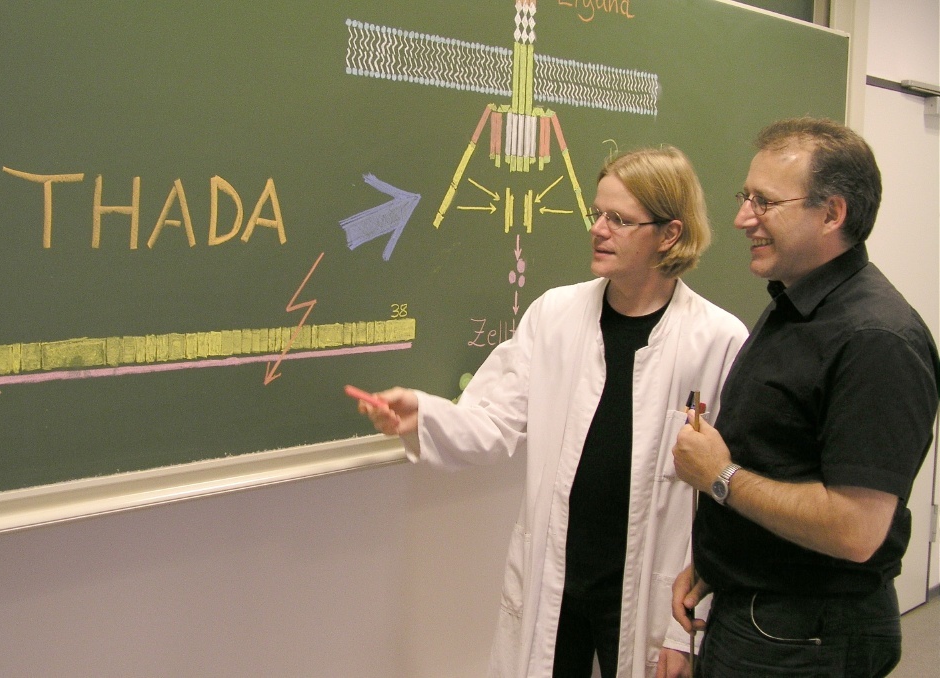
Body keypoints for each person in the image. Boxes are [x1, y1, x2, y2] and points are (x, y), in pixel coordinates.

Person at [354, 146, 748, 678]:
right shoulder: (555, 315)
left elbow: (725, 504)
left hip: (651, 586)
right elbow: (493, 420)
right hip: (559, 578)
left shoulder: (717, 340)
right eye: (597, 213)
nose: (598, 229)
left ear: (669, 234)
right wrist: (422, 415)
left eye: (619, 219)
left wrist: (684, 632)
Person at [670, 117, 940, 678]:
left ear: (832, 214)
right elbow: (783, 459)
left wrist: (719, 477)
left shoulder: (876, 340)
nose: (744, 218)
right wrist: (723, 560)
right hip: (761, 611)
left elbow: (855, 529)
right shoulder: (797, 307)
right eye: (746, 197)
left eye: (765, 202)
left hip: (803, 636)